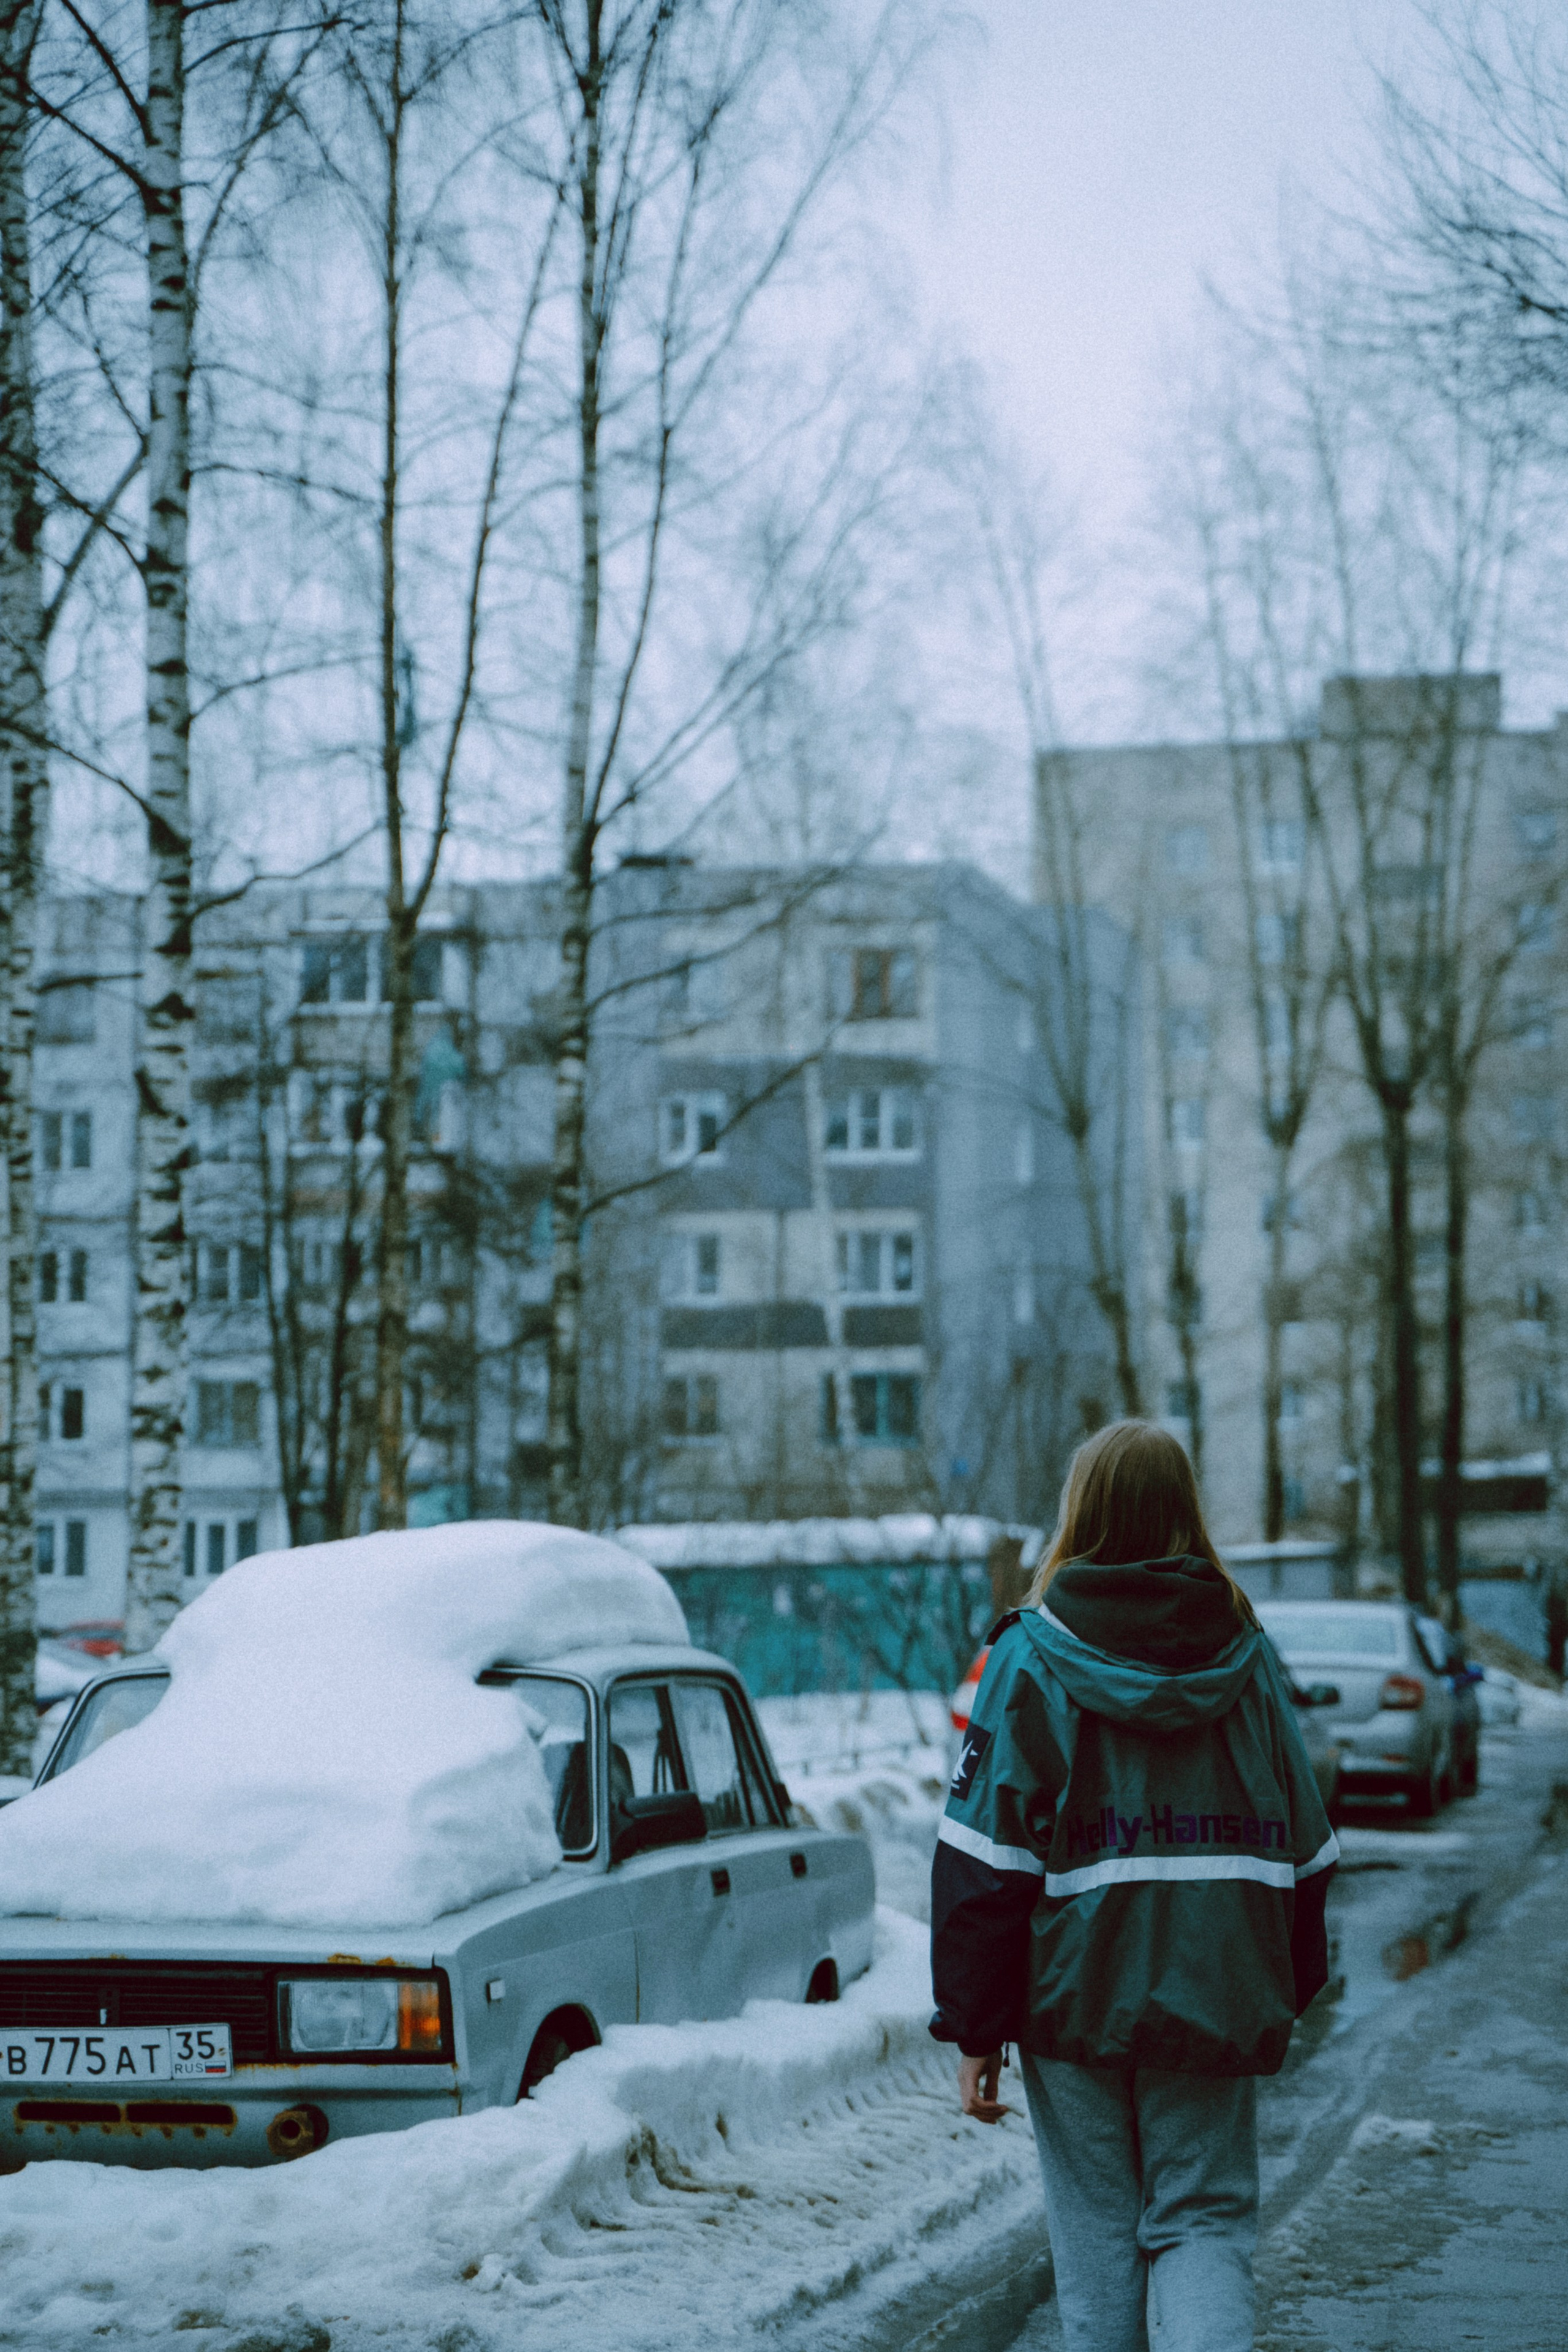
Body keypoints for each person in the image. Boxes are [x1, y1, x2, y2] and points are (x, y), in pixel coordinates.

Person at [930, 1420, 1336, 2352]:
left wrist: (976, 2024)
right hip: (1216, 1984)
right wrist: (1282, 1988)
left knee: (1098, 2234)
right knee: (1203, 2220)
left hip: (1072, 1998)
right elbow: (1310, 1847)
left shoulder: (1031, 1654)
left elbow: (985, 1857)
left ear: (1084, 1510)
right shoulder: (1251, 1654)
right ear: (1184, 1509)